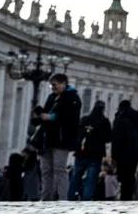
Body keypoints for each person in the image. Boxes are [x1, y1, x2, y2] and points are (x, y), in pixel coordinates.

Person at [31, 72, 82, 200]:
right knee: (46, 170)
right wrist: (40, 115)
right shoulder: (51, 97)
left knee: (60, 169)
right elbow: (46, 114)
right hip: (46, 138)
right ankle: (45, 198)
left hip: (61, 139)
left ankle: (63, 198)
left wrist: (52, 117)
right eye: (51, 85)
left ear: (63, 83)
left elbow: (71, 119)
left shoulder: (72, 98)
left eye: (55, 85)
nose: (53, 88)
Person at [72, 100, 112, 200]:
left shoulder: (84, 119)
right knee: (91, 179)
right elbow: (108, 138)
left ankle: (72, 197)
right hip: (95, 155)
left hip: (81, 153)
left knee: (76, 177)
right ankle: (86, 199)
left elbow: (77, 134)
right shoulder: (104, 121)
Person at [111, 99, 138, 200]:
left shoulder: (120, 117)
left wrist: (113, 155)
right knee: (131, 175)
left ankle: (124, 196)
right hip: (135, 154)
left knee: (123, 177)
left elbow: (115, 138)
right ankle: (128, 197)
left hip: (122, 153)